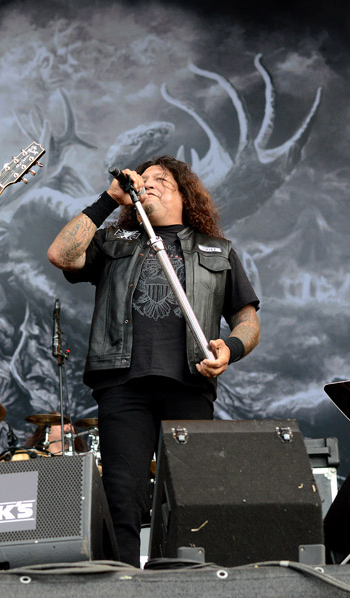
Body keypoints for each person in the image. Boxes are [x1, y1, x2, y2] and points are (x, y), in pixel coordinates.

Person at [47, 156, 260, 566]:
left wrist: (230, 349)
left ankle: (184, 582)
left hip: (189, 382)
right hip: (123, 382)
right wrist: (108, 200)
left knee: (191, 495)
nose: (149, 184)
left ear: (184, 194)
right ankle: (125, 586)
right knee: (123, 495)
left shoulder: (218, 249)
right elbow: (61, 254)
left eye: (161, 180)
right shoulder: (113, 240)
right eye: (143, 181)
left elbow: (247, 319)